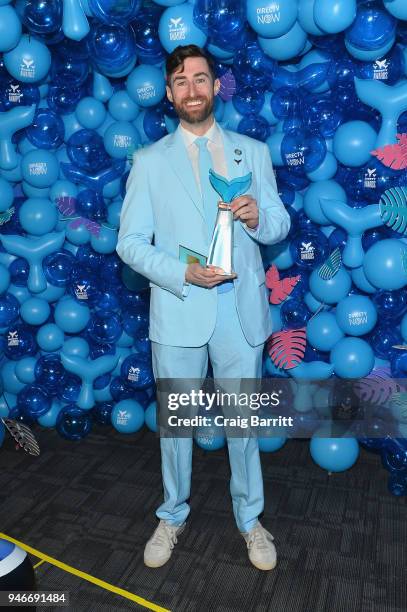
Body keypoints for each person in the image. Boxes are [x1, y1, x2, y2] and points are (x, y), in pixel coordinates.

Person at [116, 44, 291, 571]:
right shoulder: (148, 162)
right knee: (176, 427)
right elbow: (129, 243)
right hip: (179, 308)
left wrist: (260, 217)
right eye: (181, 82)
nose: (192, 89)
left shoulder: (252, 152)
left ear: (216, 86)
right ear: (170, 95)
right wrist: (181, 272)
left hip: (241, 315)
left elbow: (280, 226)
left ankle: (250, 520)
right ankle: (171, 515)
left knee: (243, 427)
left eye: (201, 78)